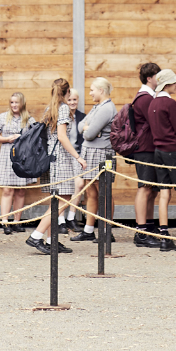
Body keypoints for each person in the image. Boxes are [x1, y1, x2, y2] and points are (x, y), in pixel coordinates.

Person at [27, 78, 85, 255]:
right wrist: (77, 157)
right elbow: (62, 136)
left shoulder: (49, 108)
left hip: (51, 160)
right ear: (67, 93)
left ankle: (52, 241)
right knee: (63, 201)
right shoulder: (64, 108)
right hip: (61, 159)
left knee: (56, 200)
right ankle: (36, 236)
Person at [141, 69, 176, 252]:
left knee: (164, 192)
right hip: (172, 149)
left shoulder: (152, 102)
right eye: (174, 82)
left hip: (158, 150)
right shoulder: (169, 103)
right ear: (168, 84)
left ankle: (164, 235)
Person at [70, 77, 117, 242]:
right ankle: (89, 230)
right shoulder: (97, 107)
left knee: (104, 192)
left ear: (101, 91)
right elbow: (80, 125)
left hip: (101, 153)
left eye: (92, 90)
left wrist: (88, 130)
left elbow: (88, 134)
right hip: (90, 152)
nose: (90, 93)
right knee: (91, 192)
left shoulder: (106, 108)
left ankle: (106, 230)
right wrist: (88, 128)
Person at [0, 92, 38, 234]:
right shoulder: (3, 117)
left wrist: (22, 138)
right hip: (7, 154)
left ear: (22, 103)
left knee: (20, 190)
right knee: (7, 190)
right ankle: (5, 222)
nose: (14, 105)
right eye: (12, 102)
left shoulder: (29, 119)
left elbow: (36, 138)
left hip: (22, 156)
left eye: (17, 102)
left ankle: (17, 222)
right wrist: (7, 139)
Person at [127, 62, 161, 247]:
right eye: (158, 76)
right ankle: (141, 231)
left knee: (151, 189)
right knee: (145, 187)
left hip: (149, 148)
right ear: (149, 78)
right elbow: (156, 121)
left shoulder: (147, 97)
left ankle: (148, 225)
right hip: (145, 149)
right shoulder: (145, 98)